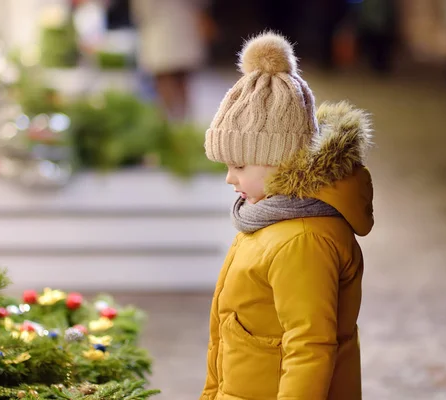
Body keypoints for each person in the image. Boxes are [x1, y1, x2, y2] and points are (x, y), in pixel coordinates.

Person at [201, 32, 374, 400]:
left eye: (238, 165)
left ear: (278, 160)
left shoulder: (302, 240)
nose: (230, 177)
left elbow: (309, 349)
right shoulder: (269, 219)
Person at [129, 0, 212, 121]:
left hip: (161, 37)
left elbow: (141, 13)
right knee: (182, 84)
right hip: (184, 31)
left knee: (165, 83)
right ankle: (183, 122)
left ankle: (171, 122)